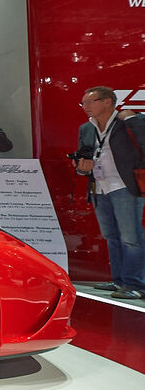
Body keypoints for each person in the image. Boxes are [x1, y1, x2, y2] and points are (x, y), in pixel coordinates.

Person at [73, 86, 145, 299]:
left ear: (107, 102)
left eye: (90, 101)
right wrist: (80, 168)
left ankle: (136, 284)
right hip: (99, 188)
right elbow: (82, 156)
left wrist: (131, 118)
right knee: (111, 236)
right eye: (83, 103)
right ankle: (119, 281)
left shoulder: (128, 122)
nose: (85, 106)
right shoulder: (86, 128)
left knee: (131, 238)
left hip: (125, 186)